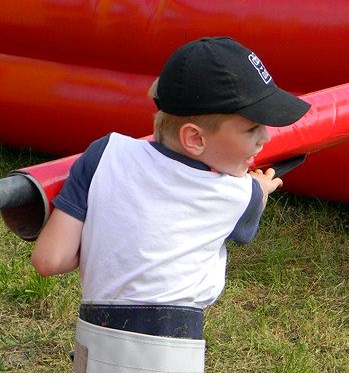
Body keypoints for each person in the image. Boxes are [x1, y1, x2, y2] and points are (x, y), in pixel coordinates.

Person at [31, 36, 310, 372]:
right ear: (194, 138)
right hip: (169, 351)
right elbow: (253, 201)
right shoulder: (239, 194)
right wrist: (261, 189)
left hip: (96, 344)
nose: (264, 138)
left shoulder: (105, 153)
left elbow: (49, 259)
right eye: (252, 128)